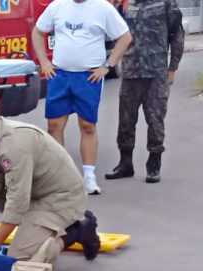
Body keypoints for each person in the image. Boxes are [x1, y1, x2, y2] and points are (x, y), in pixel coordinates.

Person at [0, 83, 101, 271]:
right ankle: (35, 230)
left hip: (62, 198)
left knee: (22, 264)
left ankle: (78, 230)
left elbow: (17, 202)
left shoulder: (14, 143)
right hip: (38, 195)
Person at [31, 0, 132, 195]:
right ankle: (60, 178)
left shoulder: (102, 7)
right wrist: (44, 61)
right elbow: (37, 32)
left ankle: (89, 177)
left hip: (89, 77)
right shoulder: (57, 6)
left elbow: (125, 37)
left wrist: (108, 65)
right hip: (60, 75)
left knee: (88, 126)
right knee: (54, 126)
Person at [106, 0, 184, 184]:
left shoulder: (166, 3)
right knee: (125, 121)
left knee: (155, 120)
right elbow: (119, 34)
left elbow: (177, 35)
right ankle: (125, 164)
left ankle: (154, 165)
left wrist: (172, 68)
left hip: (156, 73)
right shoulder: (128, 4)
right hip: (130, 72)